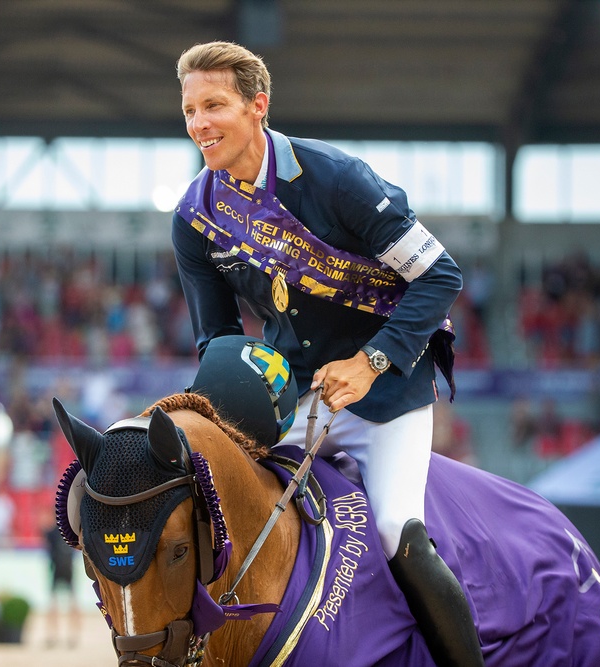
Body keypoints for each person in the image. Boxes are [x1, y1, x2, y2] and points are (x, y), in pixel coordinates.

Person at [172, 41, 481, 666]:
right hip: (293, 402)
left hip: (387, 393)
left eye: (214, 105)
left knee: (397, 533)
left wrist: (371, 363)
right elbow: (218, 341)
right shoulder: (195, 217)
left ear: (259, 106)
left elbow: (440, 276)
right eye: (188, 110)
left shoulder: (336, 177)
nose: (198, 123)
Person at [41, 512, 80, 648]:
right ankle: (67, 636)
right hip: (65, 567)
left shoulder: (51, 532)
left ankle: (60, 636)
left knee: (57, 604)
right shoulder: (66, 532)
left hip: (60, 568)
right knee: (65, 604)